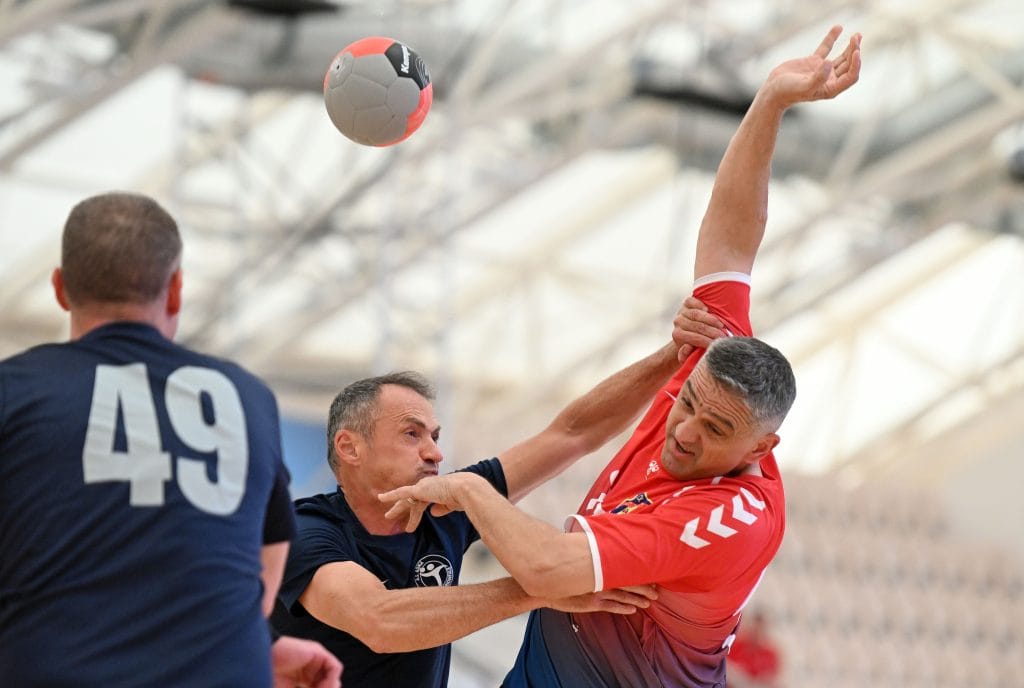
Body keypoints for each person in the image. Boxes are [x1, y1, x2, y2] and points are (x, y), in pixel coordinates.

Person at [379, 26, 862, 687]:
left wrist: (467, 489)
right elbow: (730, 243)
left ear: (762, 448)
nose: (684, 430)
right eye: (688, 404)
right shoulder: (713, 364)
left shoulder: (731, 519)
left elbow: (547, 568)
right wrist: (771, 100)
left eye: (715, 428)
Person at [0, 192, 341, 687]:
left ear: (60, 288)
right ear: (176, 290)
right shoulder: (247, 397)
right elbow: (257, 581)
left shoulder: (14, 391)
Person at [270, 335, 723, 687]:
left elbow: (572, 435)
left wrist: (674, 355)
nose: (434, 453)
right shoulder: (305, 529)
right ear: (349, 447)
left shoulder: (447, 503)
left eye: (435, 436)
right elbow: (380, 621)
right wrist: (539, 588)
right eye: (412, 434)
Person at [726, 610, 783, 688]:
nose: (756, 633)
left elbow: (771, 681)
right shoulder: (734, 646)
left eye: (760, 629)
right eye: (754, 629)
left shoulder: (770, 655)